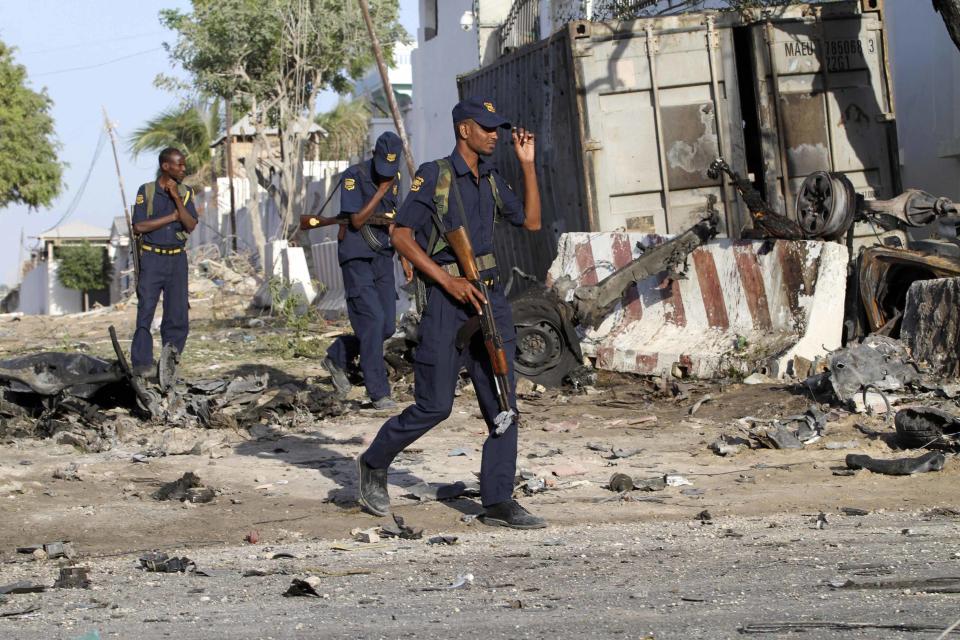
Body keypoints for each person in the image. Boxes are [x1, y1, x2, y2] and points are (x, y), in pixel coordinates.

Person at [356, 97, 545, 529]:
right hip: (447, 303)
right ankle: (374, 461)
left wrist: (528, 164)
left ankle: (498, 500)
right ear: (465, 130)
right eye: (487, 128)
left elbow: (532, 222)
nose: (495, 134)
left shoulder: (493, 177)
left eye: (498, 128)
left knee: (503, 401)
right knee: (434, 406)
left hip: (490, 299)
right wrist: (448, 281)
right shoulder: (434, 175)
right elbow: (402, 237)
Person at [320, 132, 410, 410]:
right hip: (357, 256)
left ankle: (338, 354)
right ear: (374, 154)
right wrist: (381, 189)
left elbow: (393, 222)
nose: (387, 175)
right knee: (371, 321)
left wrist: (405, 259)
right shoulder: (353, 176)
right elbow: (357, 220)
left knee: (386, 326)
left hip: (382, 256)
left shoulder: (395, 179)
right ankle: (378, 392)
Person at [130, 147, 198, 376]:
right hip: (152, 258)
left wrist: (176, 199)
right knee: (146, 311)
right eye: (179, 165)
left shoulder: (186, 193)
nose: (183, 168)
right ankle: (142, 364)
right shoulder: (146, 191)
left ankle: (170, 364)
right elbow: (139, 226)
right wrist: (171, 217)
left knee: (177, 315)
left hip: (177, 259)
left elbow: (190, 224)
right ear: (165, 166)